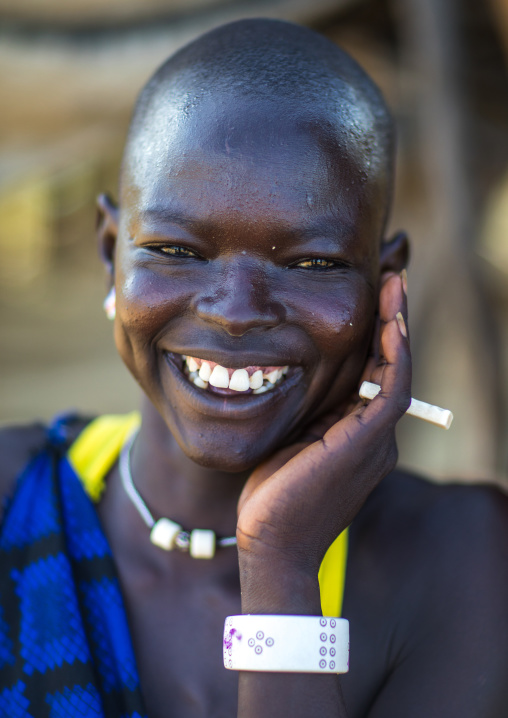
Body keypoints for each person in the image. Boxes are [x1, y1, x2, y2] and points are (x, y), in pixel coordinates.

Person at [1, 18, 508, 718]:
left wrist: (282, 566)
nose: (236, 313)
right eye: (177, 251)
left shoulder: (461, 560)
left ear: (385, 282)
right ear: (110, 251)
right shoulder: (10, 498)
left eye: (312, 264)